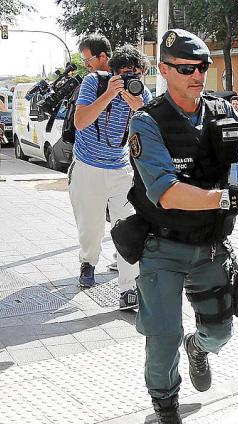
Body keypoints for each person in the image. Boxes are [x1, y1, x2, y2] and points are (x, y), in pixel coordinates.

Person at [126, 29, 238, 424]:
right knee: (162, 339)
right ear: (164, 70)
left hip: (212, 247)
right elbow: (167, 192)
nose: (197, 75)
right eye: (186, 68)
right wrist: (232, 198)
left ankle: (199, 348)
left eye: (203, 67)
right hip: (163, 247)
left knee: (220, 333)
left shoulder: (224, 113)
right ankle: (168, 418)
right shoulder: (147, 122)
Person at [70, 39, 153, 310]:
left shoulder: (141, 94)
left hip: (121, 170)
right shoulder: (94, 82)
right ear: (114, 72)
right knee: (90, 226)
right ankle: (88, 261)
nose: (131, 80)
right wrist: (108, 94)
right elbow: (80, 121)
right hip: (88, 167)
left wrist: (139, 109)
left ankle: (129, 289)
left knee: (128, 228)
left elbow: (154, 132)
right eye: (126, 74)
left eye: (137, 74)